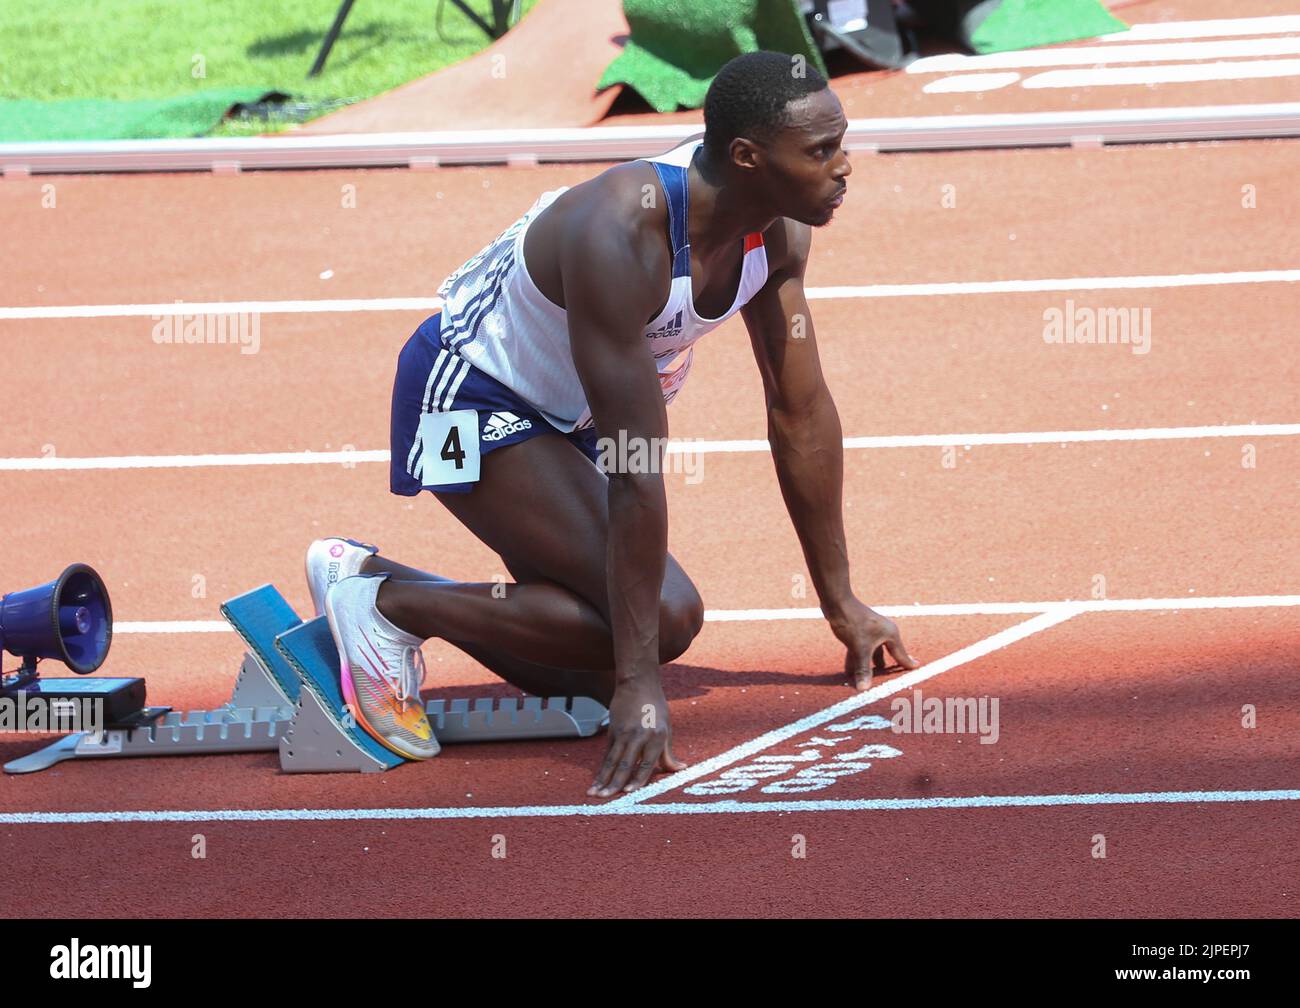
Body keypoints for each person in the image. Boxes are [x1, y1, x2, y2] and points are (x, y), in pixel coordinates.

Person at [304, 50, 920, 799]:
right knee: (662, 620)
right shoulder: (619, 232)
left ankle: (375, 579)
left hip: (571, 417)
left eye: (841, 143)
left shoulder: (779, 233)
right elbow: (635, 464)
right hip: (461, 403)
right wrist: (643, 683)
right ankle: (385, 609)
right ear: (747, 156)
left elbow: (801, 411)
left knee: (589, 671)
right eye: (821, 151)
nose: (844, 166)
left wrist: (842, 601)